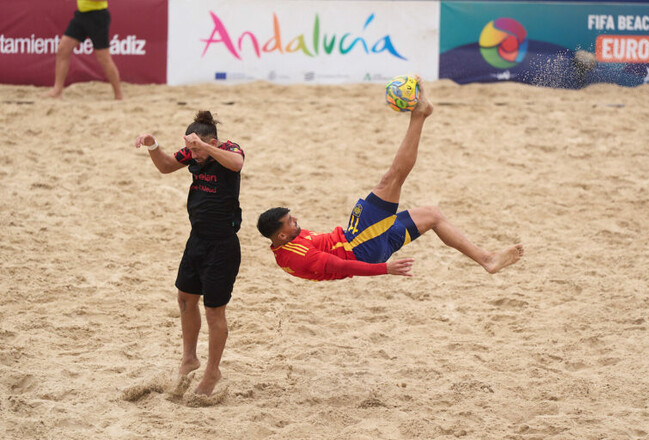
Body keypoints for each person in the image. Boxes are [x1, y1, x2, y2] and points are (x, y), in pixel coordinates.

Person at [257, 77, 523, 281]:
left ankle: (486, 259)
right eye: (291, 222)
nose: (297, 221)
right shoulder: (295, 255)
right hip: (361, 246)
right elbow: (341, 266)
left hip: (364, 243)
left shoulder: (289, 242)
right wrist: (384, 269)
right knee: (391, 179)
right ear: (281, 235)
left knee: (432, 214)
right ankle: (419, 114)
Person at [134, 111, 244, 396]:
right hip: (197, 240)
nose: (192, 155)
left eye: (196, 149)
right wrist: (152, 144)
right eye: (191, 149)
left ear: (212, 142)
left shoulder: (228, 150)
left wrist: (204, 147)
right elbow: (167, 165)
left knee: (213, 311)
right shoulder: (195, 153)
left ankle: (212, 371)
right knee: (184, 298)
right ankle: (189, 358)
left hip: (222, 245)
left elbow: (236, 164)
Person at [45, 0, 123, 100]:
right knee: (63, 49)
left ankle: (118, 94)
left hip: (97, 16)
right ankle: (57, 90)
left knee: (104, 58)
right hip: (81, 15)